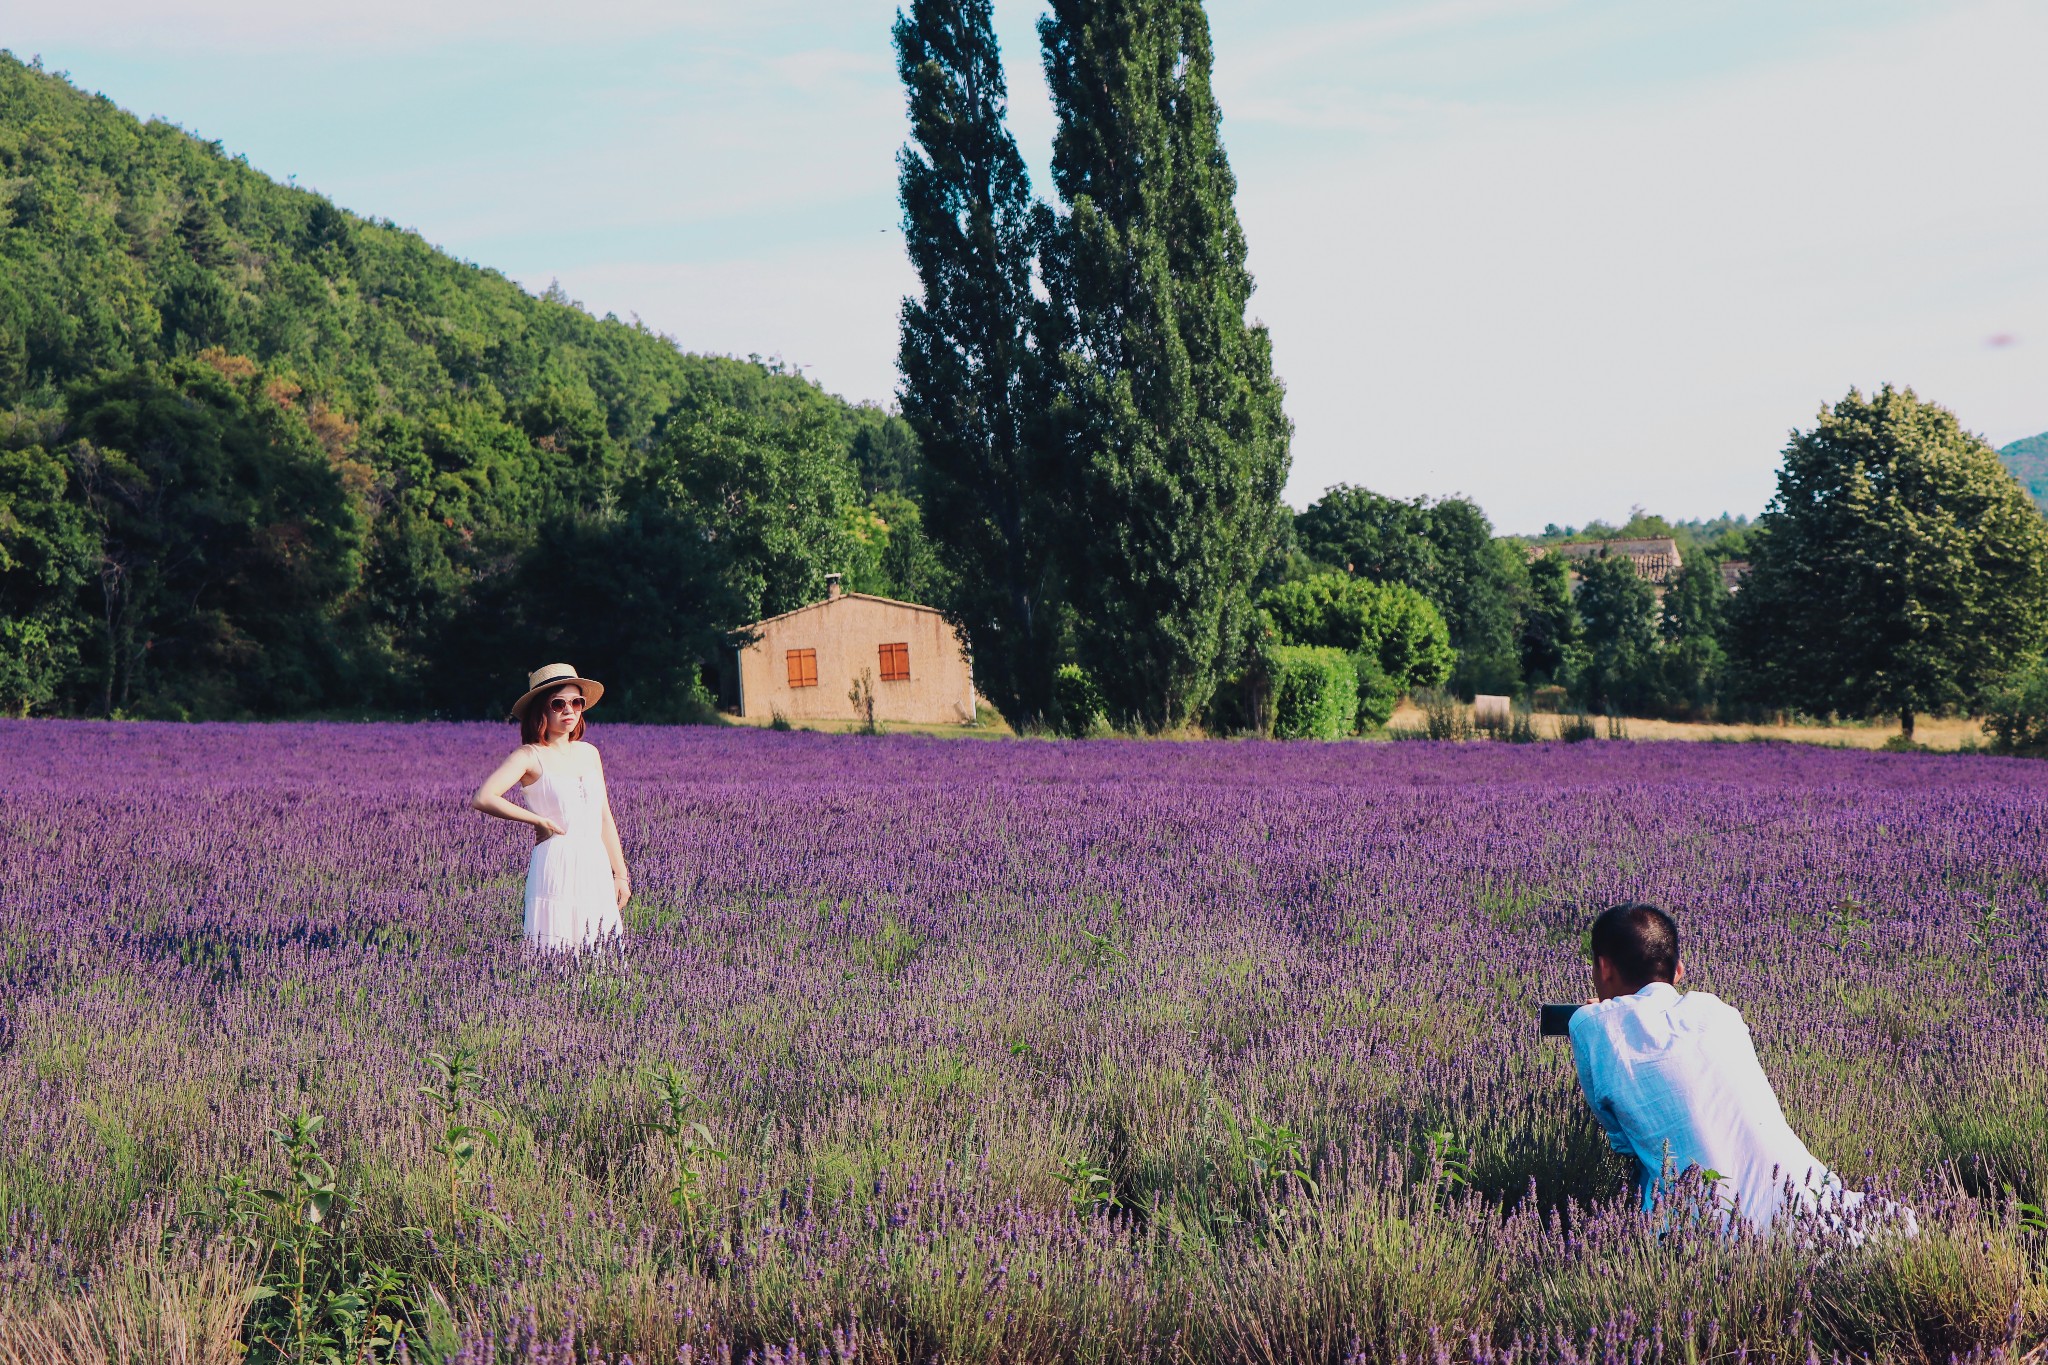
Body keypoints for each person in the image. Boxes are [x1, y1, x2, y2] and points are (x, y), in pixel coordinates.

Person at [1567, 903, 1890, 1235]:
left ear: (1604, 968)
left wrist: (1600, 1017)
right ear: (1678, 971)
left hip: (1705, 1235)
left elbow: (1623, 1142)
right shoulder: (1719, 1013)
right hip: (1809, 1207)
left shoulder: (1592, 1026)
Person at [470, 663, 630, 950]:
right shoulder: (529, 756)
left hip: (594, 862)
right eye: (558, 703)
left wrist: (620, 875)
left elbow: (604, 816)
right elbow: (484, 797)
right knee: (555, 951)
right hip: (556, 861)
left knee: (601, 955)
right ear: (541, 710)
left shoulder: (589, 753)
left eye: (576, 702)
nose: (569, 710)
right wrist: (538, 820)